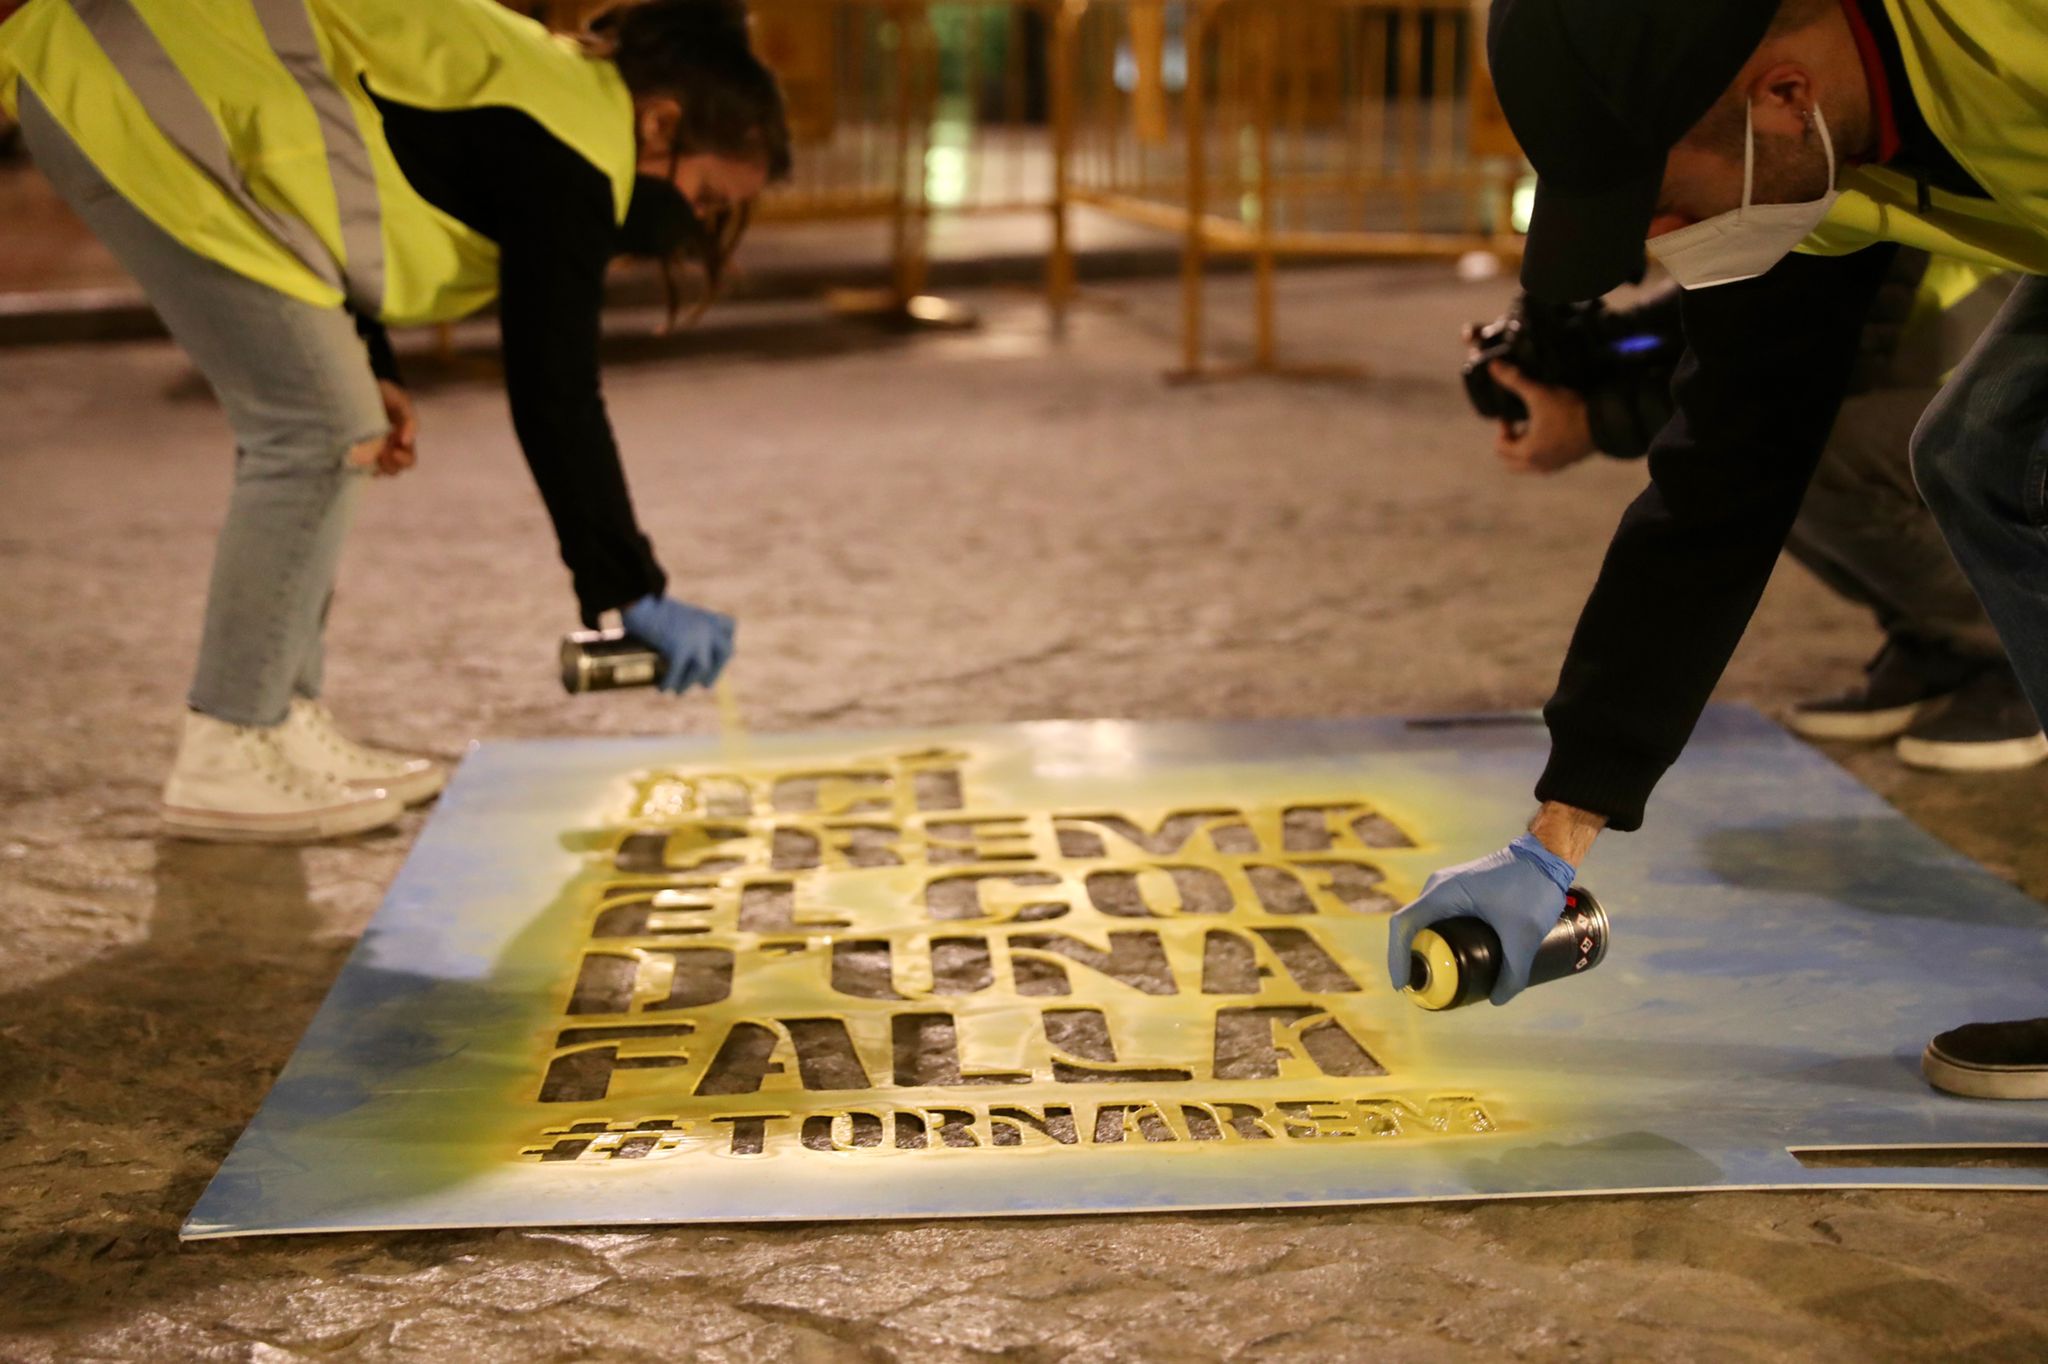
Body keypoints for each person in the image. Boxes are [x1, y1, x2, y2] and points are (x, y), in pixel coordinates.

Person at [1388, 0, 2048, 1101]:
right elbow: (1723, 471)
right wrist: (1559, 829)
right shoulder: (1809, 166)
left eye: (1667, 204)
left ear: (1780, 95)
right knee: (1985, 455)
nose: (1664, 245)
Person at [0, 0, 789, 842]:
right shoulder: (574, 152)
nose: (692, 226)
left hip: (167, 94)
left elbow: (347, 164)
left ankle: (279, 719)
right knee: (313, 430)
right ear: (660, 122)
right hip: (144, 88)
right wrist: (629, 587)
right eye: (703, 198)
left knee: (341, 423)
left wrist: (372, 362)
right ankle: (231, 741)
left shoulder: (554, 97)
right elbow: (555, 389)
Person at [1477, 249, 2042, 770]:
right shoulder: (1782, 169)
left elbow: (1803, 352)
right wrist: (1589, 352)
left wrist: (1595, 422)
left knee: (1808, 449)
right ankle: (1941, 645)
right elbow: (1748, 305)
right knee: (1777, 452)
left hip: (2014, 396)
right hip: (1939, 372)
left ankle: (2017, 658)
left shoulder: (1836, 162)